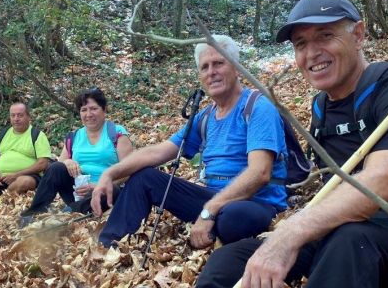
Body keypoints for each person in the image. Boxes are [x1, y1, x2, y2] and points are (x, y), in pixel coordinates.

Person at [161, 0, 388, 288]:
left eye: (326, 36)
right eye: (301, 44)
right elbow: (334, 189)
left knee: (349, 244)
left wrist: (291, 234)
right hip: (342, 229)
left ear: (358, 35)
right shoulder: (321, 107)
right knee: (230, 258)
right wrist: (286, 238)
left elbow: (379, 184)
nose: (312, 53)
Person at [91, 35, 288, 249]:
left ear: (236, 68)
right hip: (214, 200)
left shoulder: (258, 107)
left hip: (254, 202)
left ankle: (215, 227)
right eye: (205, 67)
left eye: (219, 63)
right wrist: (109, 174)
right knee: (144, 178)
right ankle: (108, 246)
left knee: (234, 217)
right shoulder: (205, 117)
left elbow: (260, 173)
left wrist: (209, 210)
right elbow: (157, 152)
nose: (211, 72)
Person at [18, 88, 133, 226]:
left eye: (93, 108)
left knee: (111, 191)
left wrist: (99, 185)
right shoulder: (75, 136)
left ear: (104, 110)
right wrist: (68, 162)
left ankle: (67, 215)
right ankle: (33, 214)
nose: (88, 114)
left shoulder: (116, 133)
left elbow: (129, 169)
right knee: (56, 167)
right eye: (84, 110)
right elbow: (57, 168)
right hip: (77, 191)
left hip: (107, 190)